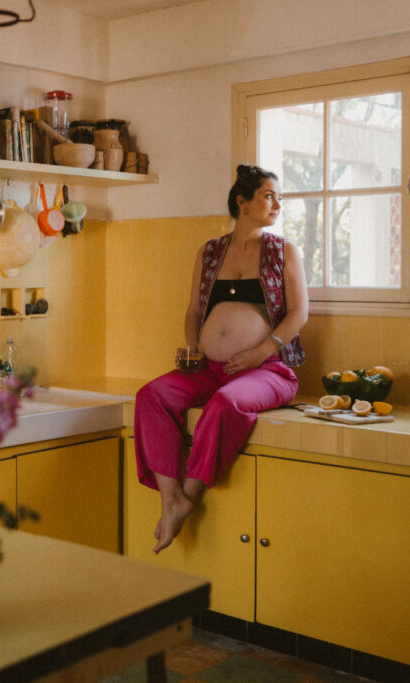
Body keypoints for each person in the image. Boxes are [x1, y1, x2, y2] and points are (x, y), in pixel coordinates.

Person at [134, 164, 308, 554]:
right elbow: (194, 311)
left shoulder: (282, 251)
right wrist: (193, 347)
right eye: (269, 195)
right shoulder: (211, 252)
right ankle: (170, 496)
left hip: (268, 370)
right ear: (242, 202)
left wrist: (260, 352)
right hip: (210, 369)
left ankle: (188, 494)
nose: (277, 204)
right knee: (150, 396)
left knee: (225, 404)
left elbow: (299, 313)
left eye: (279, 197)